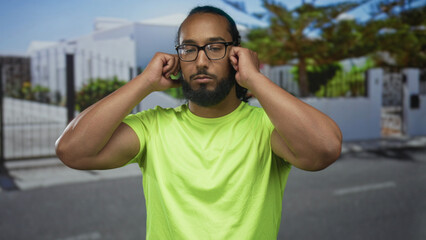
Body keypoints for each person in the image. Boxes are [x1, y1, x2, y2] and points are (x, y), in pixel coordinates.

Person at [56, 5, 342, 239]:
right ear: (178, 58)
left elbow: (325, 149)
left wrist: (255, 77)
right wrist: (144, 82)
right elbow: (72, 150)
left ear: (236, 54)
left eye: (215, 47)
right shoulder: (153, 127)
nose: (201, 61)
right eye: (189, 49)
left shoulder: (267, 128)